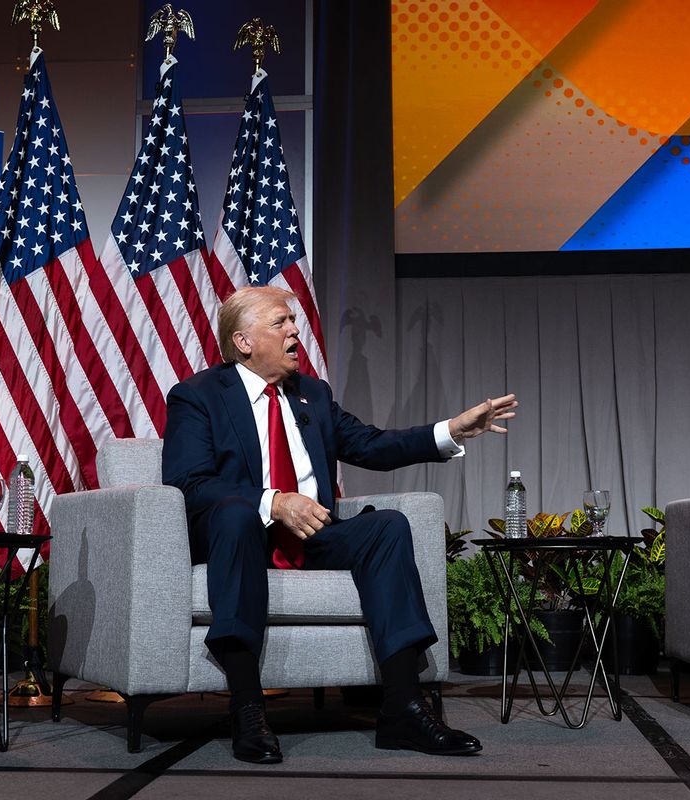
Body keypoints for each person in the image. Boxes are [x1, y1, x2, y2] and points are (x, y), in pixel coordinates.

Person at [162, 286, 517, 763]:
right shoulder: (198, 395)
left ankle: (403, 708)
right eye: (281, 322)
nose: (295, 330)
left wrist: (449, 431)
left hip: (310, 534)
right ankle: (247, 707)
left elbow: (370, 444)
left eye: (293, 321)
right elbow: (188, 482)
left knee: (387, 526)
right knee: (235, 513)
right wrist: (275, 501)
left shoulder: (312, 394)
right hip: (238, 537)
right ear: (244, 341)